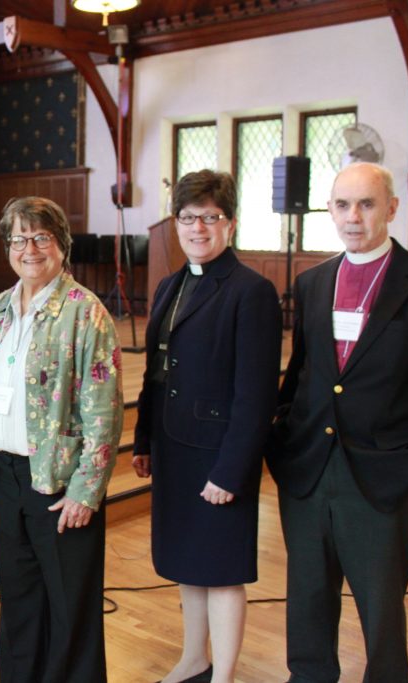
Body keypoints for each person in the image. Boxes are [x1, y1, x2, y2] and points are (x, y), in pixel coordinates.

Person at [269, 162, 408, 682]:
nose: (352, 217)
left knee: (380, 610)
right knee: (308, 597)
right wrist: (282, 437)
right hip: (309, 467)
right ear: (330, 210)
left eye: (366, 204)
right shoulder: (312, 282)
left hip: (384, 473)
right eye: (341, 205)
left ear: (391, 208)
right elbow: (302, 373)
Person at [0, 197, 123, 683]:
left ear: (61, 246)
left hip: (59, 484)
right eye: (18, 238)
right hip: (7, 476)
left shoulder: (84, 312)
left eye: (40, 237)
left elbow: (105, 410)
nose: (29, 248)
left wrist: (85, 489)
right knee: (19, 603)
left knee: (69, 609)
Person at [132, 170, 282, 683]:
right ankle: (194, 658)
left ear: (231, 224)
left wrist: (232, 471)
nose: (198, 228)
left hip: (218, 454)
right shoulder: (171, 285)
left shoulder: (251, 291)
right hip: (174, 448)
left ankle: (224, 676)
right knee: (186, 561)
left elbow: (257, 394)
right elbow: (157, 372)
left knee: (221, 569)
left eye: (210, 218)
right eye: (188, 217)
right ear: (176, 223)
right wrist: (144, 439)